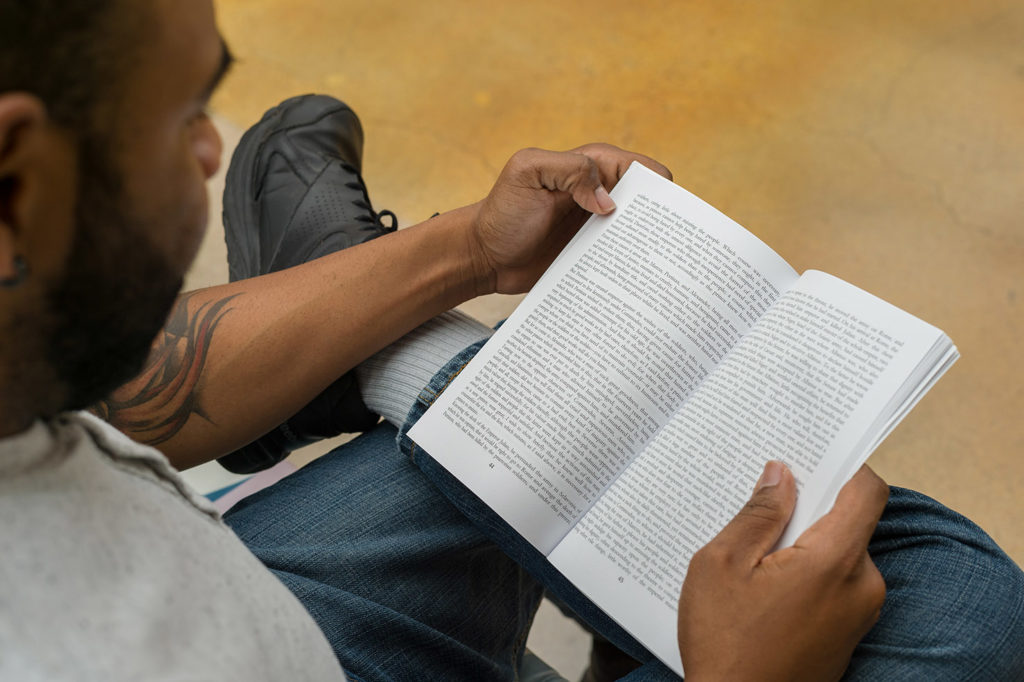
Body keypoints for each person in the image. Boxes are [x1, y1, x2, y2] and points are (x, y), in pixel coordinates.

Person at [0, 1, 1021, 680]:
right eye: (183, 118)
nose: (211, 148)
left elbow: (106, 388)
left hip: (240, 593)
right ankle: (381, 359)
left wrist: (467, 253)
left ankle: (374, 353)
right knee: (963, 619)